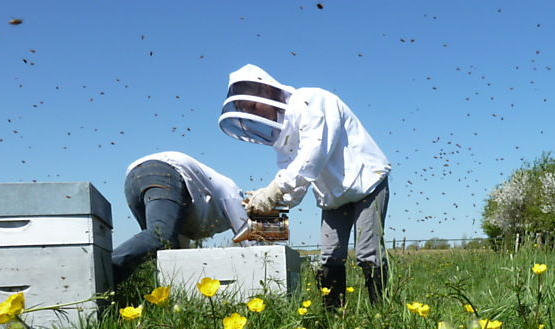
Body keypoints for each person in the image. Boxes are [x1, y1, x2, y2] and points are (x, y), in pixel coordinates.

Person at [219, 64, 391, 307]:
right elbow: (295, 183)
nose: (258, 115)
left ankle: (381, 315)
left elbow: (314, 154)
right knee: (330, 257)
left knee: (367, 253)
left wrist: (275, 189)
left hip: (367, 184)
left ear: (265, 91)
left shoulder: (313, 101)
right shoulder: (283, 133)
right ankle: (333, 319)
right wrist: (268, 203)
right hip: (333, 198)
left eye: (254, 107)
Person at [111, 151, 250, 285]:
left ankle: (110, 291)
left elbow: (177, 253)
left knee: (163, 252)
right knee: (160, 237)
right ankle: (101, 270)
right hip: (162, 171)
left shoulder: (195, 206)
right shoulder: (235, 196)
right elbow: (250, 243)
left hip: (134, 179)